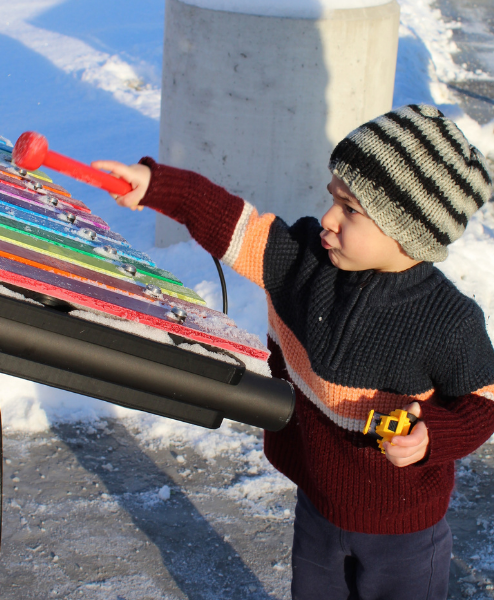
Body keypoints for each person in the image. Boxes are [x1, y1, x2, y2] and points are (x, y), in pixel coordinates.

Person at [93, 104, 494, 600]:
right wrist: (158, 187)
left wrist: (432, 435)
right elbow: (233, 223)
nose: (327, 218)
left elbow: (482, 403)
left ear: (409, 231)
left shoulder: (447, 320)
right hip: (319, 506)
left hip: (404, 531)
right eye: (333, 198)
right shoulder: (303, 262)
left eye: (351, 210)